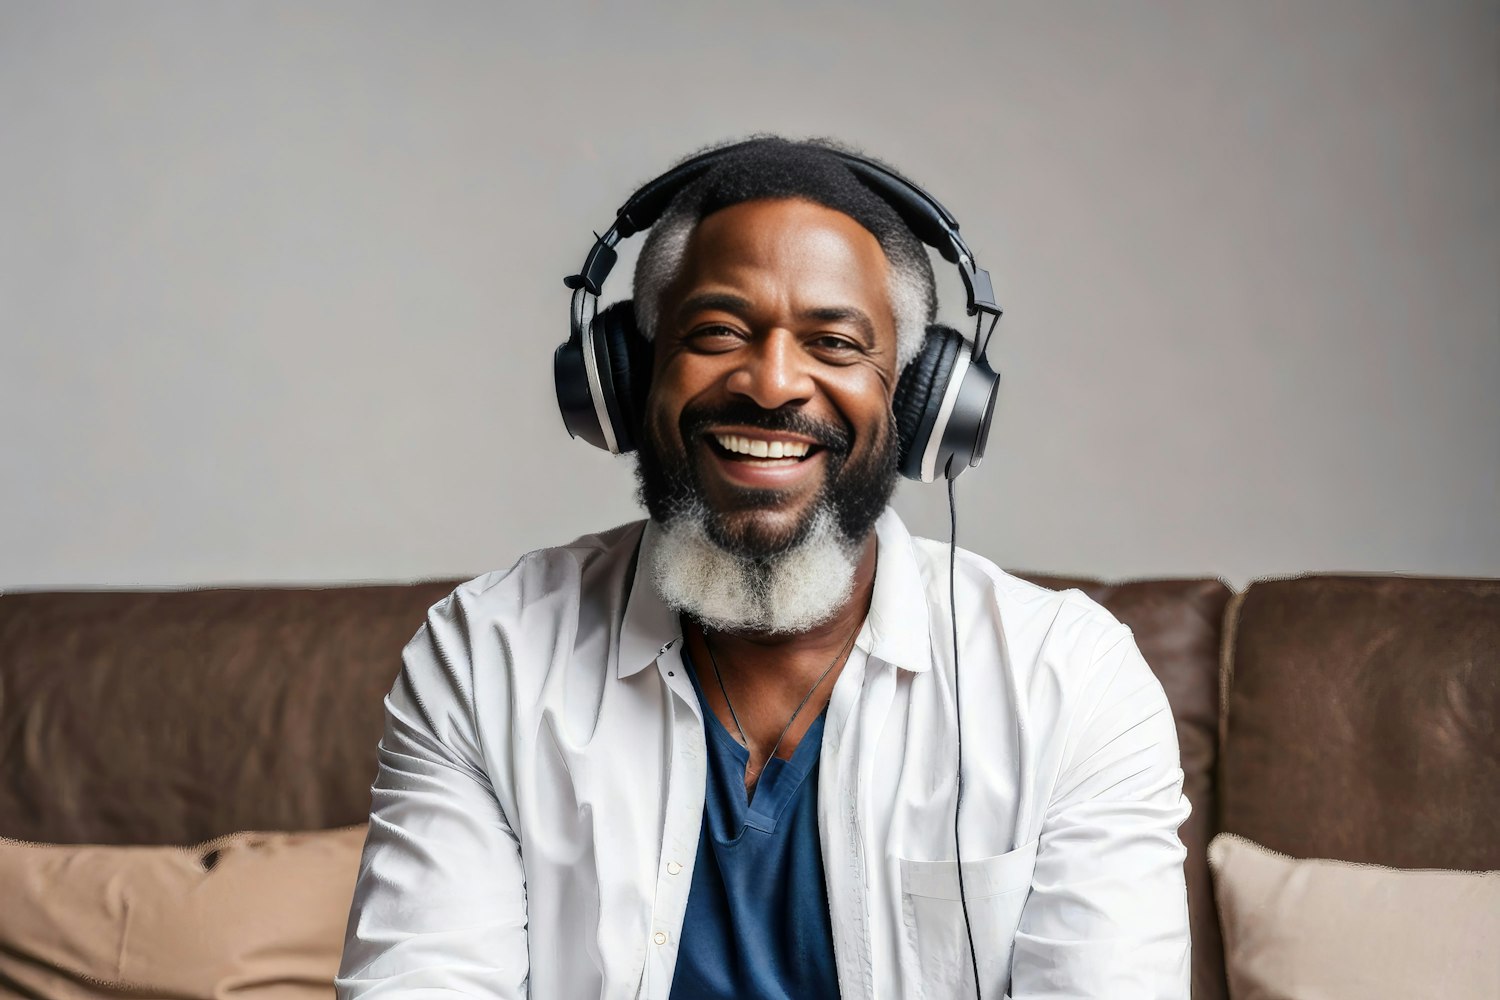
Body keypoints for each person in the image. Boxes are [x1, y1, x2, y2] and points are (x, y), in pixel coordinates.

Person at [336, 136, 1192, 999]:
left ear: (922, 399)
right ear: (630, 380)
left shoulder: (1070, 682)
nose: (773, 383)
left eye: (834, 343)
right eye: (717, 331)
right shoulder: (488, 657)